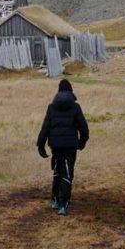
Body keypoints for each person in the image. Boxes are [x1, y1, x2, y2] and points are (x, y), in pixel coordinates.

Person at [37, 78, 89, 216]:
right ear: (71, 91)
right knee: (67, 172)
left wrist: (40, 145)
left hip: (55, 146)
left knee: (57, 170)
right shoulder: (75, 107)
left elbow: (45, 127)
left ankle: (54, 199)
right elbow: (83, 128)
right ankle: (63, 204)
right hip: (70, 146)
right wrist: (82, 142)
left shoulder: (51, 107)